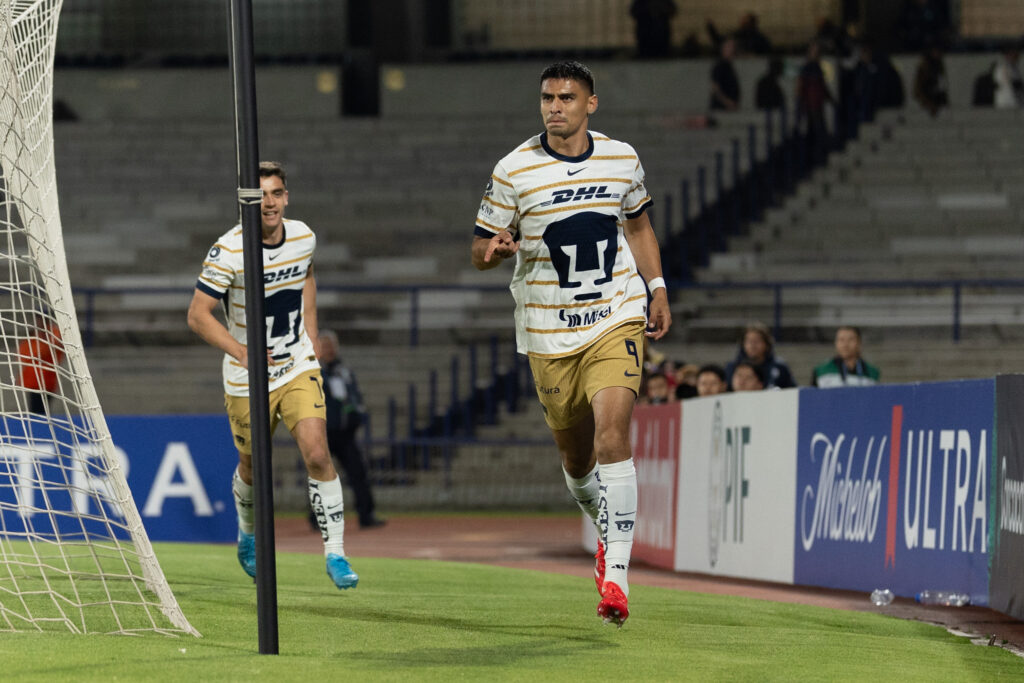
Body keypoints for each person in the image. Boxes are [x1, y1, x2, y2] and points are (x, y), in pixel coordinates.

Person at [470, 60, 671, 628]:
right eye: (547, 98)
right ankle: (603, 526)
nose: (554, 107)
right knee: (577, 459)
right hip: (548, 331)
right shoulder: (514, 169)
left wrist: (656, 287)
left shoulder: (621, 158)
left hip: (615, 316)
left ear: (591, 104)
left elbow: (638, 226)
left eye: (566, 97)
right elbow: (479, 248)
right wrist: (494, 251)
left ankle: (617, 579)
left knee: (613, 434)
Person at [187, 161, 358, 590]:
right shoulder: (229, 250)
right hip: (247, 378)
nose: (270, 202)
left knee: (317, 452)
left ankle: (336, 552)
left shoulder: (303, 236)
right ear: (246, 201)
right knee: (252, 465)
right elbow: (197, 315)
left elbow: (307, 276)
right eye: (261, 195)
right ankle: (247, 533)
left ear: (287, 197)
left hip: (296, 365)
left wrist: (311, 338)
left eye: (277, 193)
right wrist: (242, 351)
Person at [316, 329, 385, 530]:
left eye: (332, 345)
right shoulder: (314, 372)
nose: (329, 350)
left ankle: (366, 514)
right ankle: (317, 518)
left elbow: (355, 396)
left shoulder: (344, 371)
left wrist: (357, 415)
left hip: (346, 433)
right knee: (321, 476)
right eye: (325, 346)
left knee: (358, 472)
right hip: (325, 433)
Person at [724, 323, 796, 390]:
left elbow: (792, 391)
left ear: (766, 344)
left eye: (757, 341)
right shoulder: (732, 367)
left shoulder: (779, 367)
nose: (752, 345)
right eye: (749, 341)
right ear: (743, 344)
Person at [17, 314, 64, 414]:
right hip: (34, 382)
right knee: (36, 412)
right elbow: (24, 356)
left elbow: (56, 345)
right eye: (38, 319)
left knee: (42, 412)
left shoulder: (53, 335)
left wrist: (45, 340)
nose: (38, 322)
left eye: (41, 319)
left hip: (47, 382)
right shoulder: (32, 338)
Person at [811, 326, 880, 388]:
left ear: (859, 343)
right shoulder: (821, 371)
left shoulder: (872, 373)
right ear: (836, 343)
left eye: (851, 339)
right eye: (841, 340)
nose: (845, 344)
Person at [913, 43, 948, 118]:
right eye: (935, 51)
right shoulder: (924, 67)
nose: (938, 54)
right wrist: (929, 104)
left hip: (939, 106)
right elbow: (917, 91)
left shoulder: (939, 66)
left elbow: (942, 87)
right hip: (927, 108)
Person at [709, 38, 740, 111]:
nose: (732, 49)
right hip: (721, 109)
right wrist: (727, 102)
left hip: (729, 108)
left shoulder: (729, 67)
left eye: (733, 47)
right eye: (729, 46)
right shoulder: (720, 66)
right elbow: (715, 88)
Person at [993, 43, 1024, 109]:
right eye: (1012, 54)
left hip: (1017, 103)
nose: (1016, 56)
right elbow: (1009, 86)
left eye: (1016, 54)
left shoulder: (1016, 69)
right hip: (1006, 104)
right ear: (1007, 55)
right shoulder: (1001, 69)